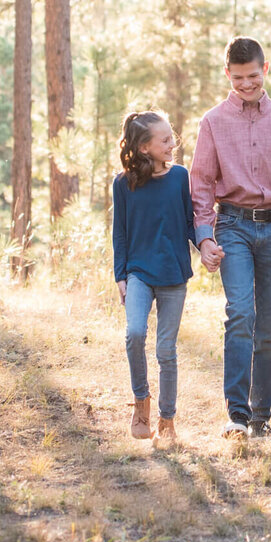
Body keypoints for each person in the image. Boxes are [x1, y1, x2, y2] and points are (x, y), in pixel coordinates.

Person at [188, 37, 271, 440]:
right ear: (227, 75)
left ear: (265, 69)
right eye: (238, 79)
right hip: (231, 225)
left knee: (268, 327)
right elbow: (200, 185)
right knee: (240, 314)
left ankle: (260, 417)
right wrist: (204, 239)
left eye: (252, 76)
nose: (246, 85)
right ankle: (236, 414)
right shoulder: (213, 122)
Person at [112, 110, 201, 448]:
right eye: (164, 140)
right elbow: (119, 232)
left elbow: (190, 222)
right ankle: (141, 405)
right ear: (145, 148)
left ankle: (167, 418)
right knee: (134, 333)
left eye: (171, 137)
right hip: (138, 272)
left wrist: (206, 245)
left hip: (174, 275)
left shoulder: (180, 176)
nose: (172, 143)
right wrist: (120, 274)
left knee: (166, 350)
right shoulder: (123, 183)